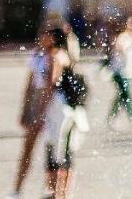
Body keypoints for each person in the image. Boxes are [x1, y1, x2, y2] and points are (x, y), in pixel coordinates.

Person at [41, 27, 87, 199]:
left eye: (45, 35)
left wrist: (40, 109)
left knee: (56, 149)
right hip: (71, 109)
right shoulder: (68, 55)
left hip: (59, 108)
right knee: (65, 149)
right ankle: (62, 193)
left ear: (53, 39)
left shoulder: (56, 56)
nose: (42, 39)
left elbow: (51, 84)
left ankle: (55, 193)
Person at [8, 29, 53, 198]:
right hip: (36, 102)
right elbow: (30, 84)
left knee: (52, 149)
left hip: (51, 105)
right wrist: (25, 110)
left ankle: (49, 187)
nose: (44, 39)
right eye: (43, 35)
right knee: (27, 149)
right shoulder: (37, 56)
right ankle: (17, 189)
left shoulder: (57, 56)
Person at [105, 18, 132, 129]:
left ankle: (111, 118)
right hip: (121, 72)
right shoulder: (123, 37)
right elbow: (120, 48)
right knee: (126, 95)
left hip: (129, 71)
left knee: (121, 96)